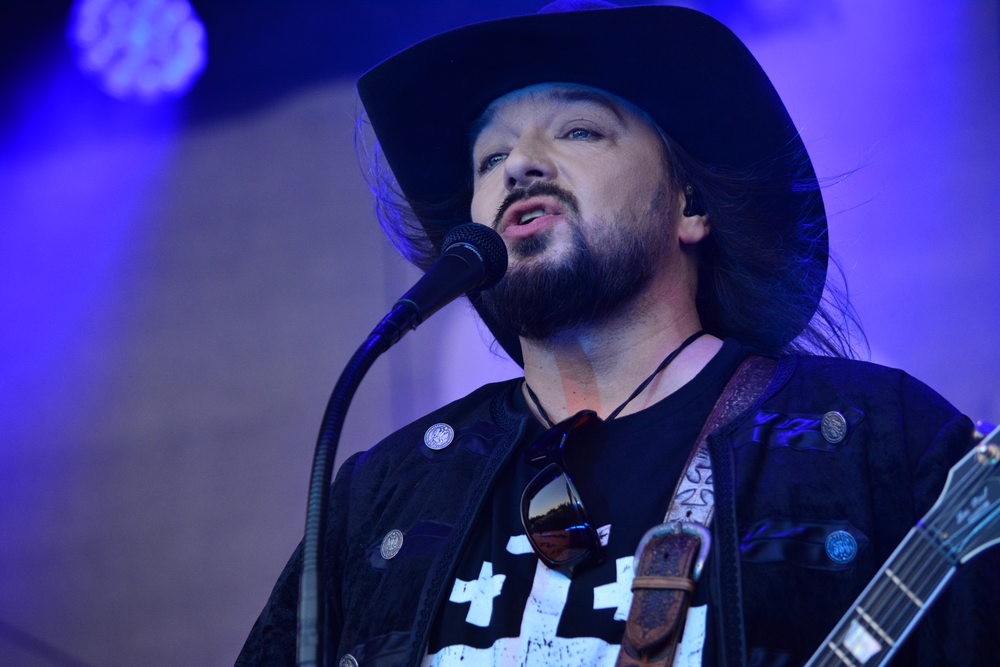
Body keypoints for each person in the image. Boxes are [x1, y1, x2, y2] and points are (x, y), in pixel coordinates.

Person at [237, 2, 999, 666]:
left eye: (579, 130)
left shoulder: (879, 441)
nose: (519, 165)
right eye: (490, 156)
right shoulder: (380, 498)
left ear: (690, 206)